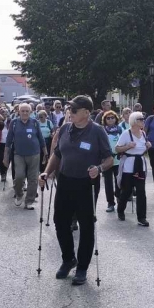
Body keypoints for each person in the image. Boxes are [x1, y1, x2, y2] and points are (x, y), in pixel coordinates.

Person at [40, 96, 113, 286]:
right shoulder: (65, 128)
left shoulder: (97, 131)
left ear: (86, 113)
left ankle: (82, 267)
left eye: (73, 110)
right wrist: (46, 173)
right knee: (60, 222)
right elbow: (57, 154)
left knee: (86, 225)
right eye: (69, 109)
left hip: (86, 184)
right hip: (65, 180)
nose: (69, 113)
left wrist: (100, 169)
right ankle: (68, 259)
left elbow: (109, 159)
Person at [5, 103, 45, 211]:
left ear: (31, 112)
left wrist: (45, 154)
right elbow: (8, 141)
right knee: (19, 176)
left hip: (34, 154)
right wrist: (5, 157)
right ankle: (19, 194)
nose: (25, 113)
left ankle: (29, 201)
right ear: (19, 111)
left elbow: (41, 139)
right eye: (23, 111)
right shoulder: (14, 123)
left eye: (27, 111)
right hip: (18, 154)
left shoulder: (35, 123)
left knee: (33, 179)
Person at [115, 112, 149, 224]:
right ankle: (120, 210)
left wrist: (148, 146)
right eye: (141, 119)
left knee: (141, 192)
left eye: (143, 119)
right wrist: (127, 146)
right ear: (134, 121)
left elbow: (141, 150)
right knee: (126, 191)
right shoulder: (126, 134)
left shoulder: (143, 134)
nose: (143, 121)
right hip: (128, 167)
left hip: (140, 166)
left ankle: (142, 217)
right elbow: (117, 149)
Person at [101, 111, 124, 213]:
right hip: (106, 160)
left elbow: (124, 141)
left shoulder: (120, 129)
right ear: (105, 120)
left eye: (112, 118)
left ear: (116, 119)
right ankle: (110, 203)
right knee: (108, 183)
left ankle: (118, 197)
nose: (110, 120)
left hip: (118, 159)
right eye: (108, 118)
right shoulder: (102, 130)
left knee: (118, 180)